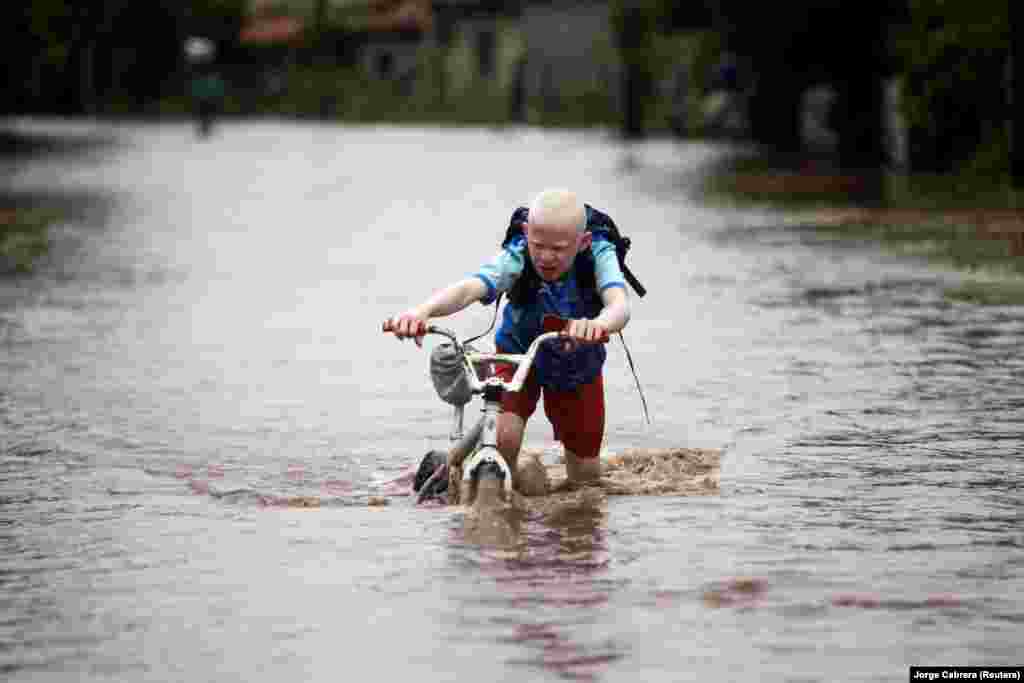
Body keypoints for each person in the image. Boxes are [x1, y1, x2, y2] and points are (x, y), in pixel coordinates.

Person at [384, 189, 631, 492]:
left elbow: (619, 305)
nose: (545, 257)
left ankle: (540, 480)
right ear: (527, 233)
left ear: (583, 243)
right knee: (504, 439)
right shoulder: (517, 254)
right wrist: (422, 312)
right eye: (538, 245)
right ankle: (499, 502)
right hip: (518, 358)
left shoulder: (598, 254)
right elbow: (470, 288)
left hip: (577, 365)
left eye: (559, 249)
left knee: (585, 481)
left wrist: (595, 325)